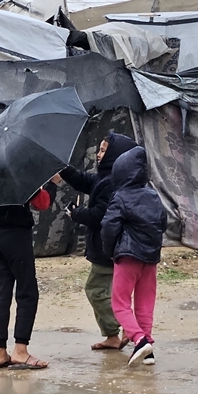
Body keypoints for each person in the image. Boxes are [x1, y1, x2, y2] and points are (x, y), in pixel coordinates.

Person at [53, 131, 138, 350]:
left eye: (103, 150)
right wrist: (63, 168)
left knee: (96, 290)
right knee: (111, 292)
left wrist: (76, 213)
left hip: (106, 248)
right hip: (110, 248)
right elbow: (84, 180)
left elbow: (100, 215)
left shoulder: (111, 182)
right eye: (99, 150)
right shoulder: (108, 176)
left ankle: (125, 328)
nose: (99, 155)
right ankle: (114, 335)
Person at [100, 147, 167, 368]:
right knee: (145, 304)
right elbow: (163, 223)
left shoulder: (120, 196)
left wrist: (110, 251)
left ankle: (139, 340)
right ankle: (148, 351)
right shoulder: (153, 195)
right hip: (150, 258)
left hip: (127, 256)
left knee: (119, 302)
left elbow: (109, 226)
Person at [0, 185, 54, 369]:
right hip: (16, 234)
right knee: (27, 291)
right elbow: (42, 203)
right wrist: (50, 186)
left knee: (2, 295)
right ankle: (20, 350)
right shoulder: (20, 175)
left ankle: (0, 351)